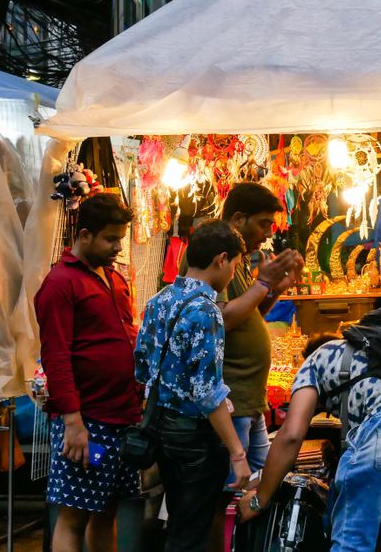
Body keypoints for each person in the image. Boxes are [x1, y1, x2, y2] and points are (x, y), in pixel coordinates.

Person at [236, 337, 381, 551]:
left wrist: (259, 501)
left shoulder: (314, 361)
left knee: (352, 538)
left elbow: (291, 434)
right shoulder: (373, 353)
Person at [134, 220, 253, 552]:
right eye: (235, 266)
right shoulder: (206, 310)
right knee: (191, 535)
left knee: (179, 524)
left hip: (162, 430)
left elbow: (141, 365)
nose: (232, 274)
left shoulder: (159, 300)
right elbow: (207, 392)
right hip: (194, 439)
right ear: (221, 259)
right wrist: (238, 453)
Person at [35, 193, 140, 552]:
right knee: (74, 515)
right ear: (84, 235)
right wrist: (73, 422)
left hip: (121, 417)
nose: (117, 247)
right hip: (87, 422)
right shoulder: (60, 283)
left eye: (120, 239)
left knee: (107, 511)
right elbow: (56, 357)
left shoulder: (112, 277)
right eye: (111, 239)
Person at [186, 182, 303, 480]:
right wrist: (262, 284)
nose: (268, 233)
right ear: (238, 219)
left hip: (249, 400)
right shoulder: (215, 255)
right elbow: (220, 320)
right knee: (235, 488)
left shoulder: (236, 259)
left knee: (264, 484)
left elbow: (249, 314)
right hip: (231, 402)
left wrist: (276, 289)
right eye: (263, 224)